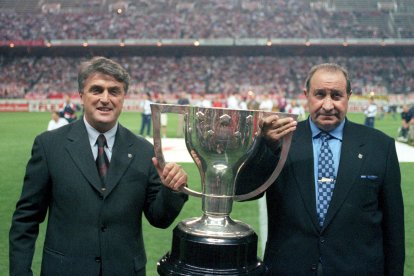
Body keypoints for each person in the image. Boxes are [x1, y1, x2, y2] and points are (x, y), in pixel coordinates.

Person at [9, 57, 188, 276]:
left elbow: (159, 219)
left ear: (123, 98)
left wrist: (171, 189)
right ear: (81, 96)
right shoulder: (49, 146)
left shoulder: (143, 150)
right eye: (96, 90)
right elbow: (26, 220)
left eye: (114, 91)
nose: (105, 99)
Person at [240, 63, 404, 275]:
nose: (328, 105)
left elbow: (394, 230)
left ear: (349, 96)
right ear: (306, 95)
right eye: (320, 95)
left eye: (336, 95)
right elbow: (242, 193)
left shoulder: (380, 146)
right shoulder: (280, 140)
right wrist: (265, 147)